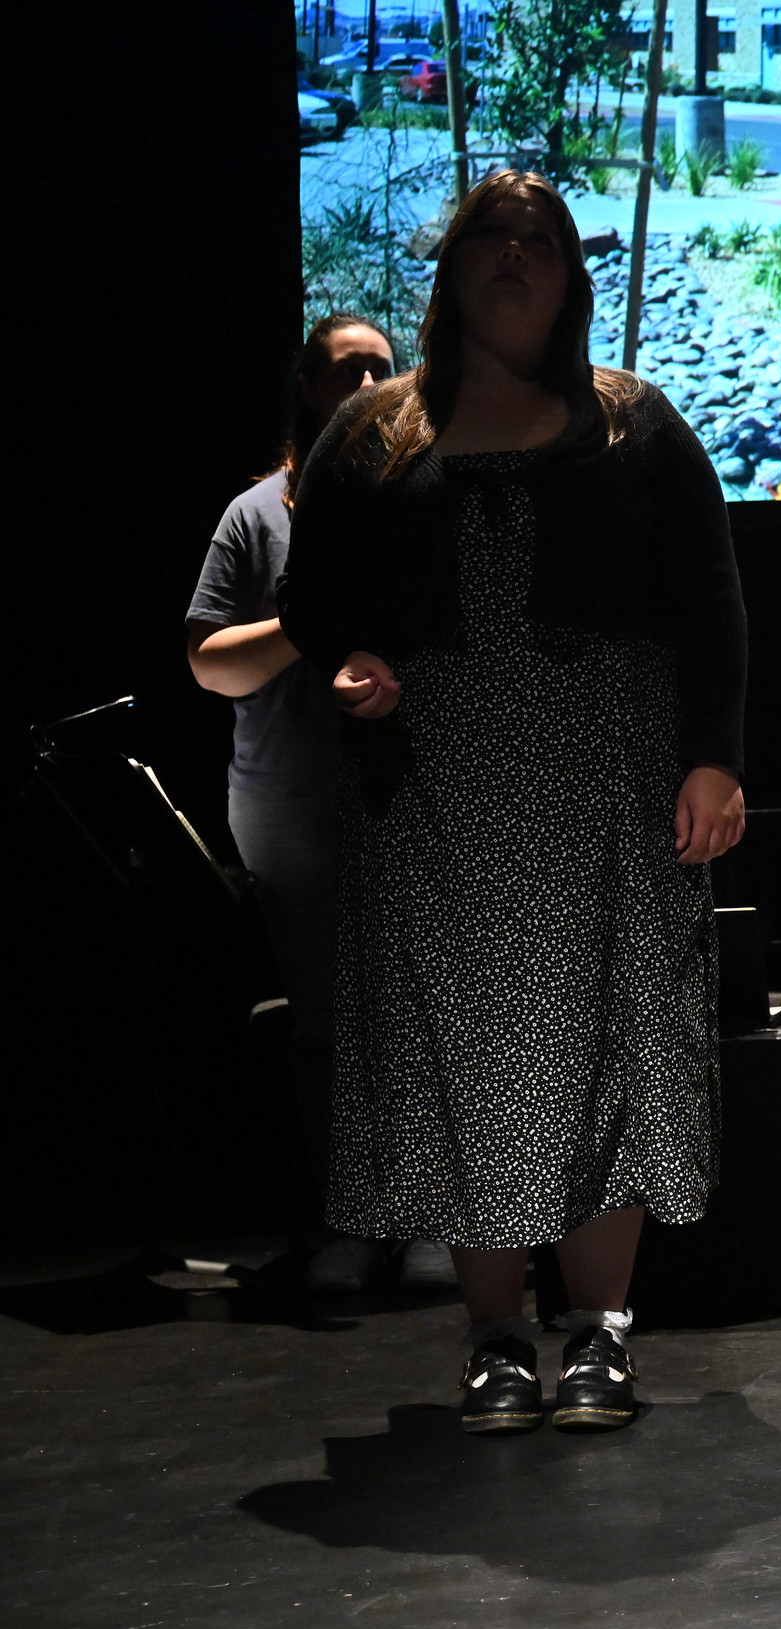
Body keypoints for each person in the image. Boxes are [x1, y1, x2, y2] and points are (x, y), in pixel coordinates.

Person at [279, 170, 748, 1435]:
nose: (516, 259)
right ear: (452, 269)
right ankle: (495, 1338)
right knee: (462, 1051)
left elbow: (711, 602)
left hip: (608, 781)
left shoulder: (630, 423)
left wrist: (714, 758)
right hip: (437, 789)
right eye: (493, 237)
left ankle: (598, 1333)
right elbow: (314, 596)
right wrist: (349, 661)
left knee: (610, 1042)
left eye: (540, 242)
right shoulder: (374, 431)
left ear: (570, 279)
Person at [188, 313, 458, 1295]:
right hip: (290, 796)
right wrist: (304, 629)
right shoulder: (256, 515)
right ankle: (350, 1220)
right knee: (326, 1020)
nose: (371, 385)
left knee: (425, 1007)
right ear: (306, 385)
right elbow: (209, 663)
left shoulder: (428, 498)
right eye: (351, 370)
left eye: (386, 369)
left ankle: (428, 1218)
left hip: (417, 789)